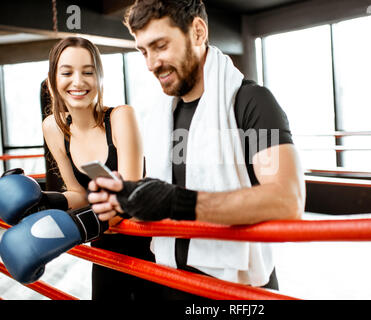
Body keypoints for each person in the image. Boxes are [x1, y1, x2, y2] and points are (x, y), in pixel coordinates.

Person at [88, 0, 305, 299]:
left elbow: (287, 199)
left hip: (237, 290)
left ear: (198, 32)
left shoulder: (252, 102)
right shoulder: (160, 116)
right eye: (143, 51)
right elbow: (159, 201)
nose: (151, 64)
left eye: (160, 45)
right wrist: (127, 200)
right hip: (169, 279)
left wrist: (177, 203)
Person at [43, 36, 157, 300]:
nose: (78, 81)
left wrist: (74, 228)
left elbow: (127, 199)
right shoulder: (54, 128)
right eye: (67, 72)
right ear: (52, 81)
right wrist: (42, 202)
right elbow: (78, 193)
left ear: (100, 78)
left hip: (147, 245)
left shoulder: (120, 117)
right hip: (105, 248)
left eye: (88, 72)